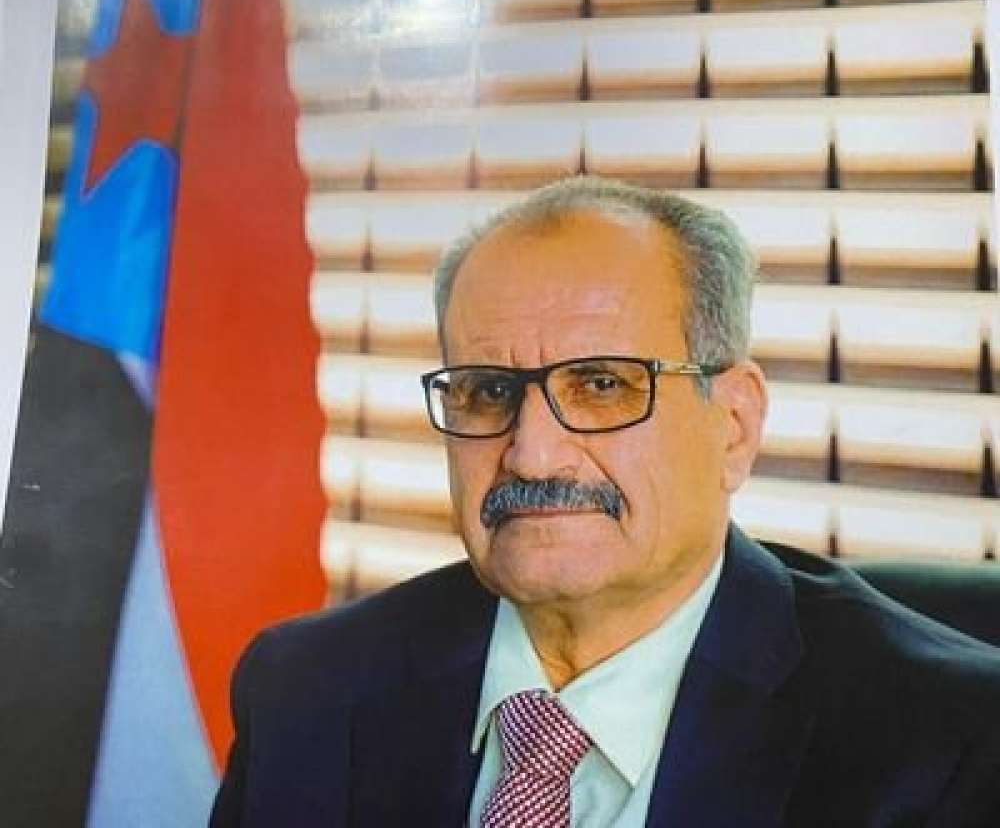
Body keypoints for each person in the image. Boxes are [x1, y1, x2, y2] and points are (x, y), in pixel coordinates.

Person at [210, 176, 1000, 827]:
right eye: (488, 392)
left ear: (733, 425)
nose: (531, 453)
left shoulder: (949, 745)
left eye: (600, 384)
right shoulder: (306, 691)